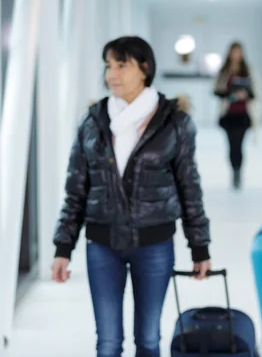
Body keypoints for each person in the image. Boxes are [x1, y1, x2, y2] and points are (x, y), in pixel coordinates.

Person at [51, 36, 212, 357]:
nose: (112, 74)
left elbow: (189, 187)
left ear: (145, 69)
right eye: (108, 66)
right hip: (102, 245)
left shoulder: (173, 121)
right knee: (107, 342)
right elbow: (76, 188)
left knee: (148, 339)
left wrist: (199, 245)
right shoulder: (93, 122)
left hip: (154, 245)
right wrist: (63, 247)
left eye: (121, 65)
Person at [213, 41, 256, 190]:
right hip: (229, 114)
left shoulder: (247, 70)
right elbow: (216, 90)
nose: (236, 55)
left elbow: (254, 92)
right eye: (234, 51)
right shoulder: (224, 71)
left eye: (239, 52)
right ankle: (234, 171)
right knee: (231, 145)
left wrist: (245, 94)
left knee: (239, 145)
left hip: (243, 114)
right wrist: (231, 95)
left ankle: (238, 172)